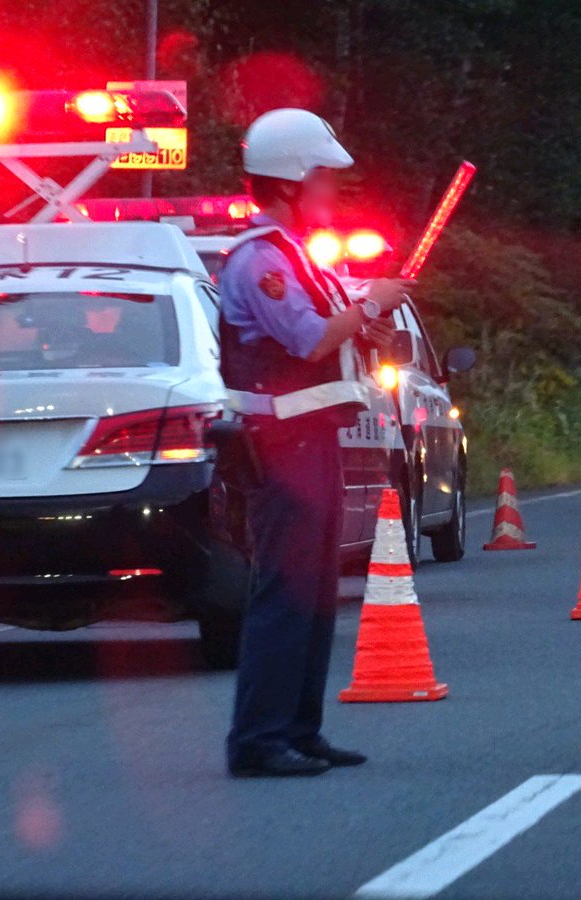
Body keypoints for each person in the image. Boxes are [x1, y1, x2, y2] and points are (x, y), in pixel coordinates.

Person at [221, 108, 415, 778]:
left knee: (316, 591)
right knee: (284, 591)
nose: (334, 191)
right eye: (325, 177)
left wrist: (372, 326)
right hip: (281, 447)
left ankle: (300, 730)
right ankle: (258, 739)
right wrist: (367, 307)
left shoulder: (301, 258)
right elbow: (307, 338)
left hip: (312, 442)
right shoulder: (262, 262)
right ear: (288, 181)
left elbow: (333, 333)